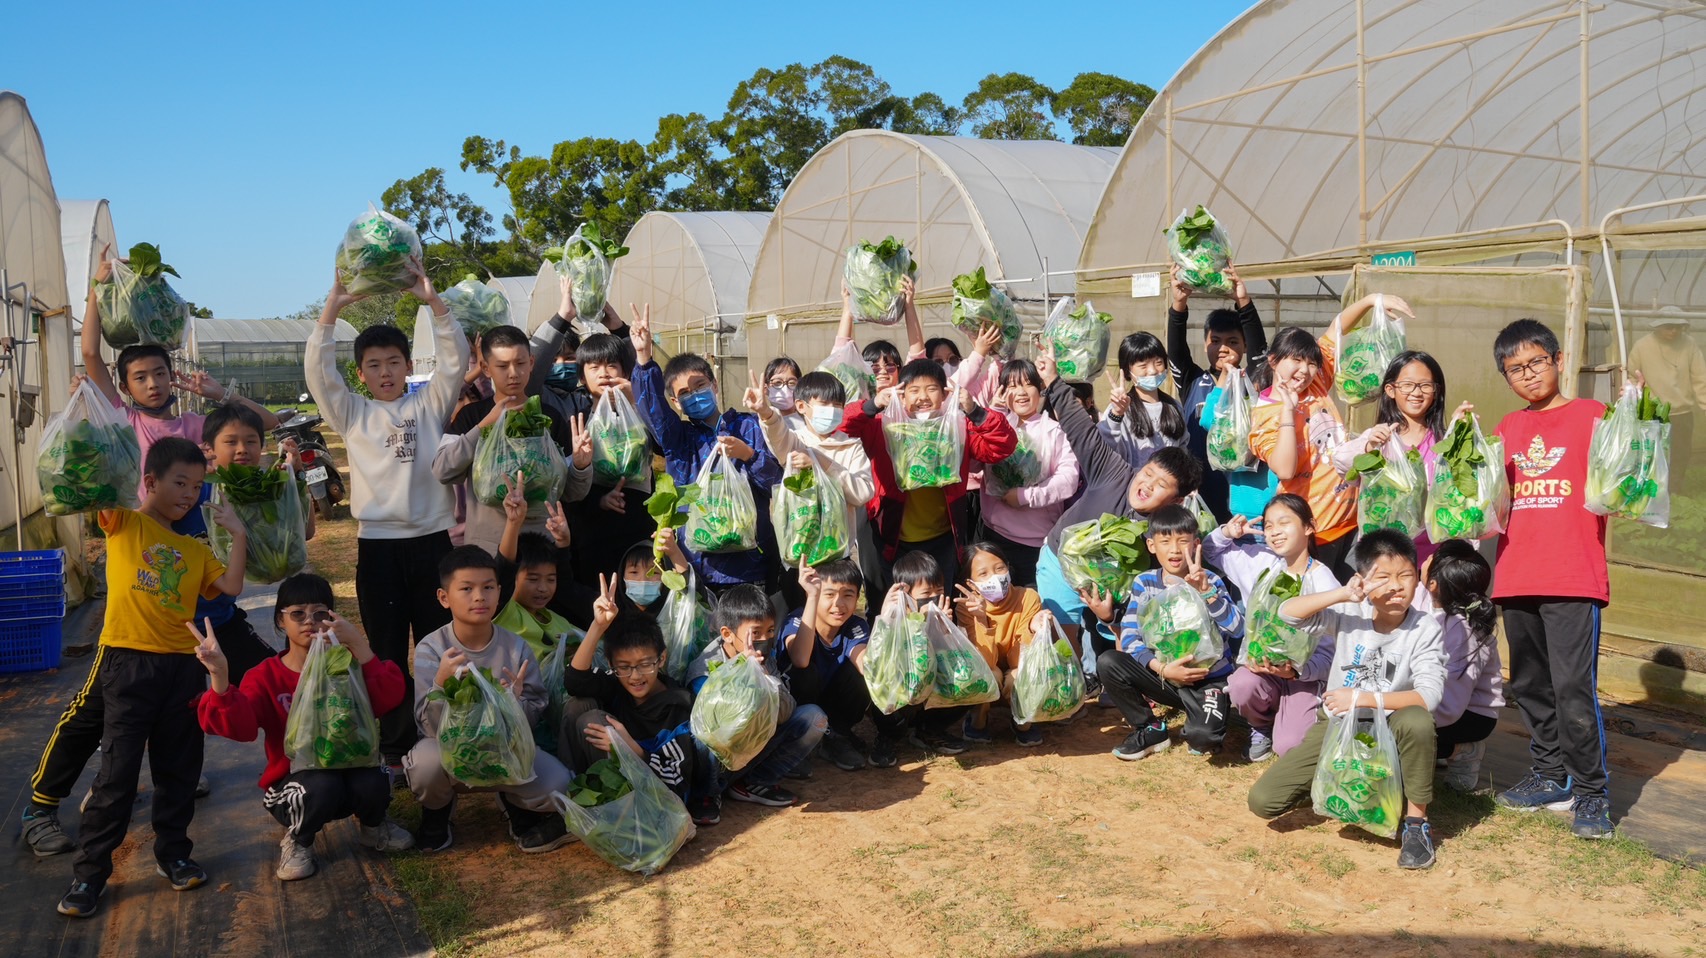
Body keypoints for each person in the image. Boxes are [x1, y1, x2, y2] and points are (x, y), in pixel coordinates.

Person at [23, 401, 292, 857]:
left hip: (214, 628)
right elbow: (109, 489)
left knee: (276, 679)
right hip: (138, 638)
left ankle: (304, 775)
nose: (242, 450)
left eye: (250, 443)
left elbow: (268, 556)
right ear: (211, 448)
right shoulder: (148, 508)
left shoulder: (242, 491)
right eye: (231, 442)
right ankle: (44, 805)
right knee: (92, 718)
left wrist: (267, 511)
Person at [54, 437, 250, 918]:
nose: (188, 493)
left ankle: (174, 854)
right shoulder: (125, 523)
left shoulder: (192, 548)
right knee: (116, 775)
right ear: (150, 483)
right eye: (179, 482)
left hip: (184, 667)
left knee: (179, 766)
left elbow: (231, 585)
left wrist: (238, 534)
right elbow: (99, 478)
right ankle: (89, 877)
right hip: (129, 664)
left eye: (197, 486)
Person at [305, 258, 466, 771]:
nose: (385, 372)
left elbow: (455, 361)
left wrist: (432, 301)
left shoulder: (429, 405)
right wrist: (332, 307)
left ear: (407, 366)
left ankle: (450, 731)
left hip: (434, 542)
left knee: (441, 641)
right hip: (378, 547)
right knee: (388, 649)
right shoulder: (352, 413)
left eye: (393, 362)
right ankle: (396, 750)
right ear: (361, 373)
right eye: (373, 365)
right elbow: (318, 373)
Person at [1246, 530, 1447, 871]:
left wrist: (1361, 698)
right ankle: (1344, 777)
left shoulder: (1426, 627)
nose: (1396, 587)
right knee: (1263, 801)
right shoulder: (1349, 615)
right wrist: (1342, 593)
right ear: (1364, 580)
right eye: (1382, 577)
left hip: (1391, 724)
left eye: (1405, 576)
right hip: (1339, 725)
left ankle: (1416, 823)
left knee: (1417, 719)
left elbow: (1429, 696)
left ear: (1417, 579)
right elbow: (1288, 613)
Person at [196, 574, 414, 881]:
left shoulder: (345, 666)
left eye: (320, 613)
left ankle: (374, 826)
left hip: (350, 770)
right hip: (294, 783)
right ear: (280, 621)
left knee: (375, 776)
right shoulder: (266, 675)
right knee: (322, 785)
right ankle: (298, 840)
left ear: (333, 618)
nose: (309, 621)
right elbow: (241, 728)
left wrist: (359, 647)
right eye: (297, 613)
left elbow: (389, 699)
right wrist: (220, 677)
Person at [1488, 319, 1613, 839]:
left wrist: (1638, 416)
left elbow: (1631, 467)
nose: (1529, 375)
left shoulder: (1594, 415)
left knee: (1573, 688)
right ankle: (1549, 773)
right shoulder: (1506, 429)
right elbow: (1486, 503)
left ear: (1559, 361)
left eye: (1537, 362)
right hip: (1516, 574)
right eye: (1515, 370)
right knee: (1531, 684)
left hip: (1573, 575)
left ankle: (1592, 794)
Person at [404, 547, 574, 854]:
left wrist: (515, 702)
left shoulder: (515, 646)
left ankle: (513, 803)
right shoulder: (433, 648)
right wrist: (440, 683)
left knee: (558, 783)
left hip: (506, 748)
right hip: (451, 749)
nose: (479, 597)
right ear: (444, 598)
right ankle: (438, 815)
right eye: (466, 589)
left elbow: (535, 712)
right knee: (425, 765)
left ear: (499, 592)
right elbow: (427, 724)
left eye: (488, 588)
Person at [1032, 347, 1202, 653]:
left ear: (1176, 501)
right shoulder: (1114, 471)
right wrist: (1053, 380)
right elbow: (1080, 429)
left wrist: (1114, 615)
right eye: (1148, 473)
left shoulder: (1165, 527)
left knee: (1127, 645)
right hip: (1060, 560)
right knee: (1063, 646)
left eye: (1161, 485)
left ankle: (1121, 690)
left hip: (1115, 588)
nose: (1146, 485)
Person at [80, 249, 281, 502]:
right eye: (140, 378)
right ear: (125, 387)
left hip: (192, 534)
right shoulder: (124, 422)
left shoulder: (194, 426)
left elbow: (269, 422)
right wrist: (97, 288)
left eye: (160, 373)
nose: (153, 384)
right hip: (144, 531)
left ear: (171, 375)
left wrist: (221, 394)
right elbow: (89, 353)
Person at [1250, 295, 1416, 578]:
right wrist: (1288, 413)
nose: (1304, 371)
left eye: (1311, 363)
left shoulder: (1315, 385)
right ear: (1274, 361)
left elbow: (1334, 332)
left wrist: (1370, 300)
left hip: (1353, 521)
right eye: (1296, 361)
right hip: (1316, 530)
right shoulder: (1265, 416)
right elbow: (1285, 468)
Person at [628, 305, 781, 590]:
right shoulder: (679, 439)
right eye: (684, 393)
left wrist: (747, 455)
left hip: (750, 564)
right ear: (675, 403)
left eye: (699, 386)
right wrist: (644, 358)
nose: (694, 395)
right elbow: (652, 412)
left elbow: (774, 481)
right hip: (698, 565)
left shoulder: (748, 427)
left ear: (714, 385)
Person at [842, 357, 1018, 591]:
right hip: (893, 539)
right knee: (897, 603)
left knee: (939, 599)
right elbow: (842, 430)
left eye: (932, 389)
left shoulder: (956, 428)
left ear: (945, 395)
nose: (923, 397)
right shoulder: (883, 426)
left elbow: (1001, 447)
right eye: (914, 390)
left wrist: (975, 411)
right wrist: (872, 405)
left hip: (944, 538)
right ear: (901, 395)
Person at [1092, 504, 1244, 760]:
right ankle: (1150, 728)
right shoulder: (1145, 582)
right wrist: (1162, 669)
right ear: (1151, 545)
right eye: (1165, 541)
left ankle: (1206, 716)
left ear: (1196, 545)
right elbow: (1130, 637)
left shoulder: (1211, 580)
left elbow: (1237, 628)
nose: (1174, 550)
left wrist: (1207, 594)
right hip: (1164, 677)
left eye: (1183, 541)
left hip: (1208, 678)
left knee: (1203, 740)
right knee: (1109, 662)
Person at [432, 324, 594, 556]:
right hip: (487, 550)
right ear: (486, 368)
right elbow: (442, 470)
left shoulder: (549, 417)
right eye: (502, 366)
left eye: (520, 363)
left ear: (531, 363)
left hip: (541, 548)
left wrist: (580, 465)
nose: (513, 373)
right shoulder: (471, 416)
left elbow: (571, 493)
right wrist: (484, 425)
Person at [1211, 495, 1342, 761]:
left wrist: (1295, 671)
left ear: (1309, 527)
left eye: (1284, 523)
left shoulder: (1325, 583)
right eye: (1269, 526)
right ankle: (1261, 726)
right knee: (1242, 685)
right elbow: (1211, 550)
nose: (1275, 532)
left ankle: (1297, 718)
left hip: (1306, 678)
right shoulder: (1263, 564)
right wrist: (1228, 531)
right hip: (1263, 670)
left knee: (1290, 747)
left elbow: (1335, 655)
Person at [686, 585, 827, 822]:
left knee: (813, 718)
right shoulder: (704, 667)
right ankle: (707, 794)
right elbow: (714, 724)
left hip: (753, 750)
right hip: (719, 756)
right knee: (702, 737)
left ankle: (754, 782)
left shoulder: (765, 660)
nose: (764, 639)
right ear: (727, 634)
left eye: (770, 631)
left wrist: (761, 674)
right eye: (756, 632)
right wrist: (740, 674)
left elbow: (786, 712)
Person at [562, 580, 701, 818]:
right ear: (611, 664)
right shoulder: (619, 684)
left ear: (662, 659)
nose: (635, 676)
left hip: (654, 802)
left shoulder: (678, 706)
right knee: (578, 705)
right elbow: (575, 681)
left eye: (645, 664)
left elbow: (678, 781)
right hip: (611, 781)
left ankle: (612, 814)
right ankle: (572, 797)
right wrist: (598, 626)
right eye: (624, 667)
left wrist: (631, 749)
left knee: (593, 719)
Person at [1331, 350, 1469, 563]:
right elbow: (1341, 463)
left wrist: (1461, 434)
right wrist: (1368, 446)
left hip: (1435, 557)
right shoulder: (1380, 438)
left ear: (1436, 391)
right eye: (1407, 384)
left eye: (1425, 385)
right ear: (1390, 390)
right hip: (1385, 557)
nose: (1416, 392)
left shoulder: (1444, 442)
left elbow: (1464, 497)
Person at [1167, 262, 1267, 520]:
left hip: (1243, 492)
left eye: (1233, 342)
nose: (1223, 348)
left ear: (1244, 346)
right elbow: (1176, 349)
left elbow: (1260, 351)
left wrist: (1243, 301)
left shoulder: (1253, 380)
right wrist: (1179, 304)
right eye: (1215, 341)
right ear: (1204, 344)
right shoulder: (1192, 380)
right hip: (1199, 492)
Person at [978, 360, 1080, 587]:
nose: (1021, 392)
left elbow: (1068, 480)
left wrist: (1026, 496)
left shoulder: (1055, 431)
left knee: (1034, 605)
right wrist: (991, 415)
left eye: (1028, 384)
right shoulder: (996, 424)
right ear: (1002, 392)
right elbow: (975, 464)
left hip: (1037, 542)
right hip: (995, 536)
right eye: (1012, 386)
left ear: (1040, 389)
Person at [568, 332, 657, 585]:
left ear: (625, 371)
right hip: (594, 533)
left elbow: (663, 446)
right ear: (582, 377)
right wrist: (600, 500)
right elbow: (566, 488)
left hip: (638, 526)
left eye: (611, 365)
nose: (604, 373)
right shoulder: (578, 421)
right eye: (594, 367)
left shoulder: (640, 413)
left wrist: (635, 402)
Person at [778, 558, 877, 771]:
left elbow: (865, 663)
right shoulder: (796, 621)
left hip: (833, 704)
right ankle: (796, 743)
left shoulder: (855, 626)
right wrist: (812, 597)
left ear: (857, 598)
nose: (838, 605)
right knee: (805, 672)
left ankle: (837, 737)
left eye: (848, 595)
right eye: (829, 595)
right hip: (800, 707)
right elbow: (800, 659)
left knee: (862, 676)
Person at [1424, 539, 1505, 792]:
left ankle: (1462, 750)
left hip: (1469, 715)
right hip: (1439, 703)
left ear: (1433, 583)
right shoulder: (1431, 609)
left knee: (1404, 736)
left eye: (1429, 559)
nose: (1423, 561)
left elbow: (1451, 704)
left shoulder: (1461, 632)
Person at [953, 542, 1048, 746]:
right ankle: (978, 720)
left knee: (1018, 676)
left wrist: (1031, 628)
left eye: (999, 569)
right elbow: (984, 661)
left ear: (1008, 568)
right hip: (989, 670)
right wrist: (981, 619)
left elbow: (1020, 659)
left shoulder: (1028, 598)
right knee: (989, 674)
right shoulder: (966, 608)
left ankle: (1022, 721)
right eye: (983, 573)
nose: (995, 577)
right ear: (971, 583)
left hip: (1016, 670)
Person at [1627, 310, 1705, 492]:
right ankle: (1654, 492)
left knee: (1681, 455)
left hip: (1682, 413)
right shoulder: (1642, 346)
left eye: (1678, 328)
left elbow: (1701, 377)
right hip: (1652, 414)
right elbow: (1632, 376)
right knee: (1653, 456)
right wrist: (1634, 401)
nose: (1673, 332)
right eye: (1668, 327)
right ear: (1658, 327)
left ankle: (1675, 491)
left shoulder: (1689, 344)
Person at [1100, 331, 1188, 470]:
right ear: (1128, 371)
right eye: (1143, 365)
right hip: (1132, 487)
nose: (1153, 370)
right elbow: (1102, 449)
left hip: (1167, 489)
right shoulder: (1120, 408)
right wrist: (1116, 415)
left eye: (1158, 362)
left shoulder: (1174, 407)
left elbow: (1183, 449)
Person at [762, 357, 803, 422]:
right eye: (777, 382)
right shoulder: (757, 424)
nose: (785, 389)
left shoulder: (808, 423)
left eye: (791, 383)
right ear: (765, 388)